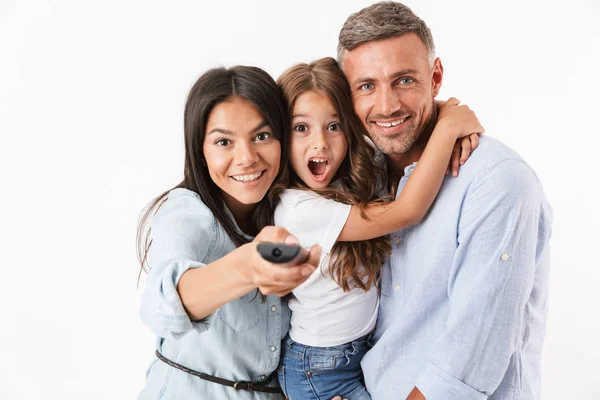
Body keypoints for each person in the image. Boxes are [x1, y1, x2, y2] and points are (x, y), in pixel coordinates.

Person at [333, 2, 553, 400]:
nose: (386, 106)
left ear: (435, 78)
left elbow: (469, 362)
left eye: (403, 80)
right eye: (366, 86)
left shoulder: (496, 179)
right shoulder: (364, 177)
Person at [273, 57, 483, 400]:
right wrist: (447, 128)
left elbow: (395, 127)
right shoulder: (298, 209)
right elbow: (406, 210)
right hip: (319, 370)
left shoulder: (352, 174)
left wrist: (441, 109)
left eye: (334, 125)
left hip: (356, 355)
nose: (320, 143)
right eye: (301, 128)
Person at [136, 65, 322, 399]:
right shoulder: (187, 212)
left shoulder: (294, 210)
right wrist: (247, 267)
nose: (247, 158)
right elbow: (159, 304)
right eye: (224, 142)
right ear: (200, 151)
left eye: (262, 136)